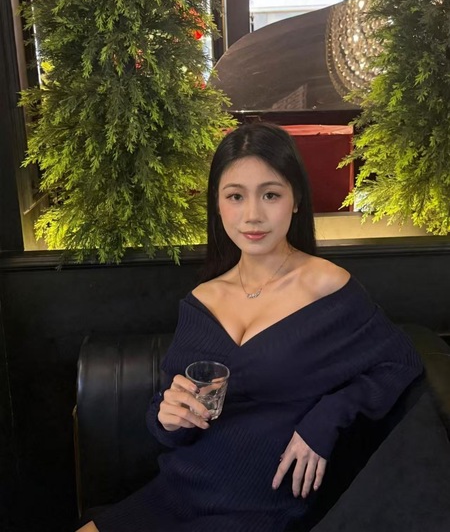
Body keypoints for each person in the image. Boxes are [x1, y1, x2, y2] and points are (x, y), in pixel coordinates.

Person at [77, 122, 423, 532]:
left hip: (260, 506)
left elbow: (400, 361)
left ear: (296, 201)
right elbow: (169, 415)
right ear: (217, 205)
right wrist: (167, 418)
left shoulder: (326, 287)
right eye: (235, 196)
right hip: (177, 491)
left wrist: (327, 417)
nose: (252, 215)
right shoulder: (202, 300)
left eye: (271, 195)